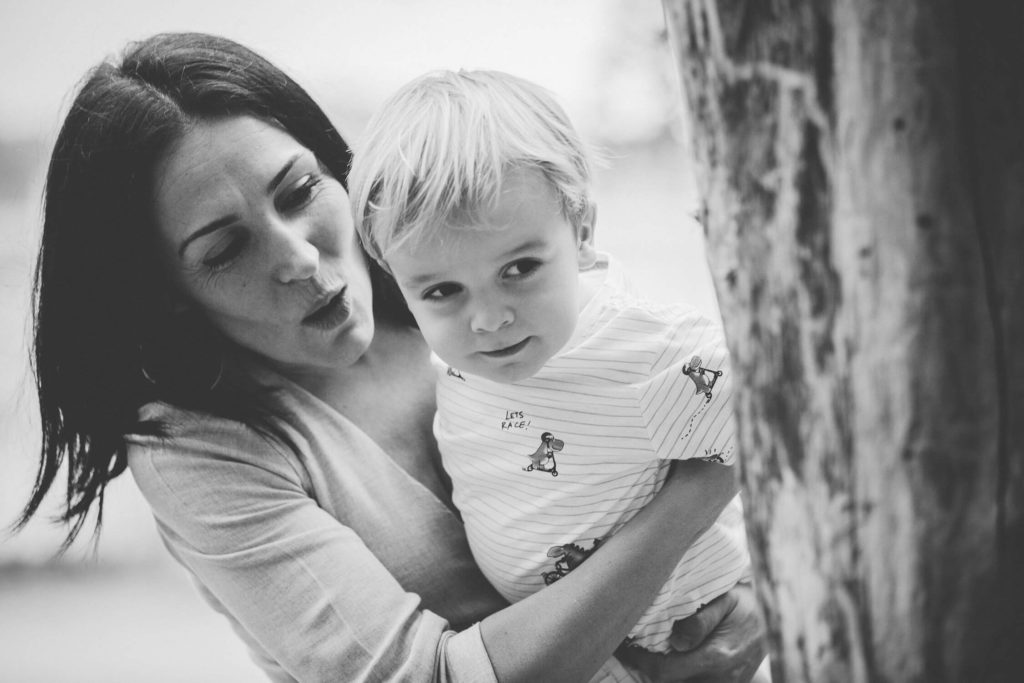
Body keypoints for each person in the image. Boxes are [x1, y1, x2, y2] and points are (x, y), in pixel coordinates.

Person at [17, 32, 767, 682]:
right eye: (225, 249)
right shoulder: (199, 449)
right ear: (169, 293)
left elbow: (682, 410)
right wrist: (698, 491)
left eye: (300, 188)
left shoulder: (460, 275)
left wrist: (753, 602)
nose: (302, 258)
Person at [349, 68, 757, 659]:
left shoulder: (643, 354)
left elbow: (782, 416)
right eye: (442, 291)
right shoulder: (462, 360)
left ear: (582, 230)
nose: (488, 319)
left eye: (519, 269)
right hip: (574, 649)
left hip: (683, 645)